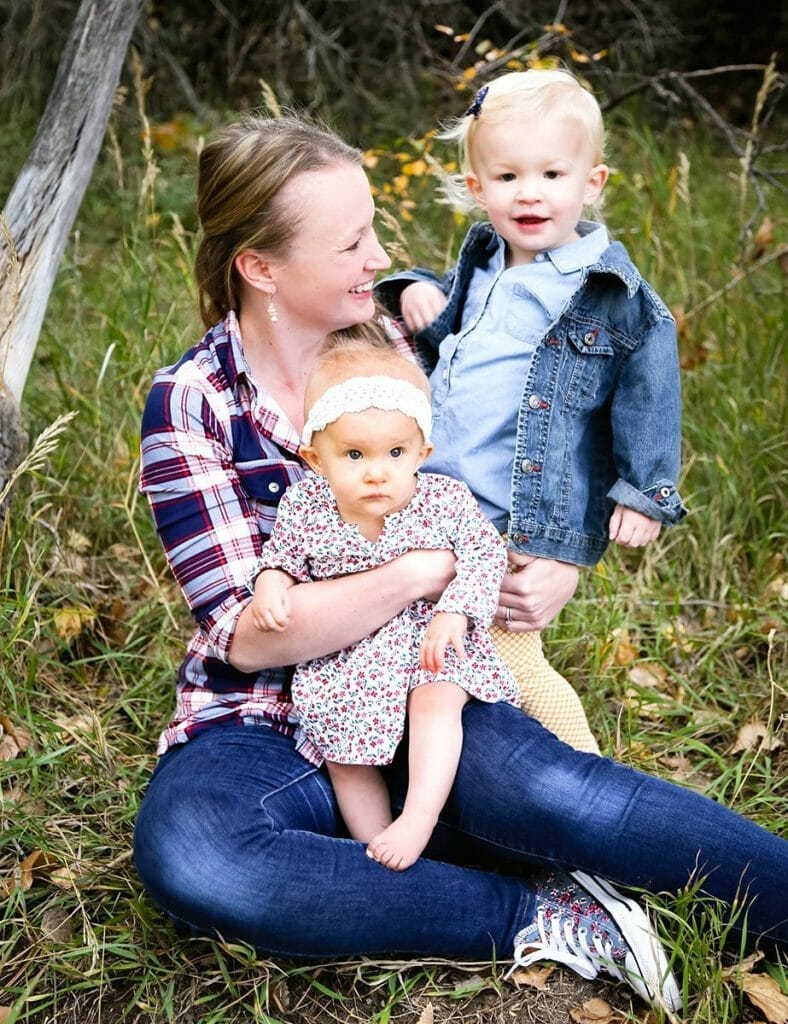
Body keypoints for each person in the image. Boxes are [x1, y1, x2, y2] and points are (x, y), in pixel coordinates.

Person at [134, 113, 787, 1016]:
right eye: (353, 240)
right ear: (261, 267)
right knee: (197, 855)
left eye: (373, 230)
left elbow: (546, 437)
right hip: (261, 718)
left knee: (553, 791)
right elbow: (249, 639)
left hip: (427, 679)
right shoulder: (194, 401)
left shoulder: (413, 344)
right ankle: (537, 910)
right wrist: (416, 573)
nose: (379, 256)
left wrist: (562, 557)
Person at [376, 68, 688, 754]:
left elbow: (650, 386)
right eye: (509, 177)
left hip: (513, 521)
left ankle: (587, 780)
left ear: (592, 183)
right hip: (435, 503)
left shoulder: (609, 293)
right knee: (430, 658)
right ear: (479, 187)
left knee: (517, 664)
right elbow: (453, 341)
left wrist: (645, 488)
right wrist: (416, 292)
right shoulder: (487, 258)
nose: (531, 193)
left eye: (552, 174)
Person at [250, 337, 520, 871]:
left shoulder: (444, 499)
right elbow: (283, 556)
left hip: (428, 636)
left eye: (396, 453)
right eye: (354, 455)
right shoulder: (305, 504)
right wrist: (272, 584)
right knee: (343, 753)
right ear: (315, 458)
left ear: (422, 453)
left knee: (437, 697)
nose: (377, 472)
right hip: (347, 656)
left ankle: (419, 815)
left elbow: (485, 553)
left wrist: (455, 611)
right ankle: (374, 843)